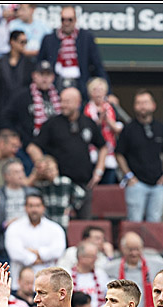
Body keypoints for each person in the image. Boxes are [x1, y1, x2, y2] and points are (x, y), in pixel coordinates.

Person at [27, 88, 107, 218]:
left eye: (67, 102)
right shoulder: (52, 123)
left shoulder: (88, 122)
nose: (63, 105)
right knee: (58, 222)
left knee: (84, 224)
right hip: (59, 185)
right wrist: (43, 165)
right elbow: (33, 147)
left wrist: (99, 171)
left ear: (78, 102)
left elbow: (103, 147)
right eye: (61, 101)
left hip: (84, 183)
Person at [115, 89, 163, 223]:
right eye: (139, 103)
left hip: (158, 184)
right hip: (136, 184)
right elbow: (119, 154)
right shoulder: (128, 129)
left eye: (145, 102)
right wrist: (129, 176)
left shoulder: (162, 128)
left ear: (153, 105)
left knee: (155, 221)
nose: (142, 106)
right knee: (134, 221)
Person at [37, 5, 107, 96]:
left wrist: (108, 93)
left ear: (75, 20)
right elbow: (40, 64)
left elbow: (97, 65)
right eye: (63, 20)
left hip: (80, 85)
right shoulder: (49, 39)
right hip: (55, 86)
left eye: (70, 20)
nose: (66, 23)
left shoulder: (86, 38)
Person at [104, 231, 163, 307]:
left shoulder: (155, 262)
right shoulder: (111, 267)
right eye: (130, 249)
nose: (134, 253)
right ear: (123, 249)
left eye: (137, 249)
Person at [1, 60, 61, 156]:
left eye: (48, 75)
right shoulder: (22, 95)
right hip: (27, 145)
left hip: (53, 145)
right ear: (34, 76)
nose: (45, 78)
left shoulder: (59, 96)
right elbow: (6, 118)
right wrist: (22, 140)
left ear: (53, 77)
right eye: (41, 74)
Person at [3, 192, 66, 276]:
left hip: (48, 281)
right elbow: (15, 253)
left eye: (38, 206)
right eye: (31, 206)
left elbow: (58, 251)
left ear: (43, 207)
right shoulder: (14, 227)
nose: (34, 210)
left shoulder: (55, 228)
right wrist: (41, 258)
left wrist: (37, 252)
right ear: (25, 208)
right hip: (20, 283)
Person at [0, 159, 30, 260]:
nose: (21, 175)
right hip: (5, 243)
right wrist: (5, 225)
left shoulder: (32, 193)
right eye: (16, 172)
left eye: (22, 171)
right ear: (6, 176)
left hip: (30, 241)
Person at [28, 155, 85, 229]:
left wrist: (71, 207)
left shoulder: (64, 181)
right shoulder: (40, 185)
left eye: (53, 169)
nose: (51, 173)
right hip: (46, 220)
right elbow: (28, 187)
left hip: (61, 219)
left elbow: (81, 194)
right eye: (48, 170)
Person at [82, 77, 121, 185]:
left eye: (101, 90)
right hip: (92, 151)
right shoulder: (86, 109)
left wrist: (107, 119)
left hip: (110, 151)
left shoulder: (111, 108)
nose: (98, 93)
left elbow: (118, 129)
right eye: (95, 90)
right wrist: (99, 119)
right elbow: (88, 129)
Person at [0, 29, 33, 120]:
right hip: (2, 106)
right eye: (22, 42)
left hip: (22, 107)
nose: (24, 45)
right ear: (12, 42)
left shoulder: (29, 64)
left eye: (26, 42)